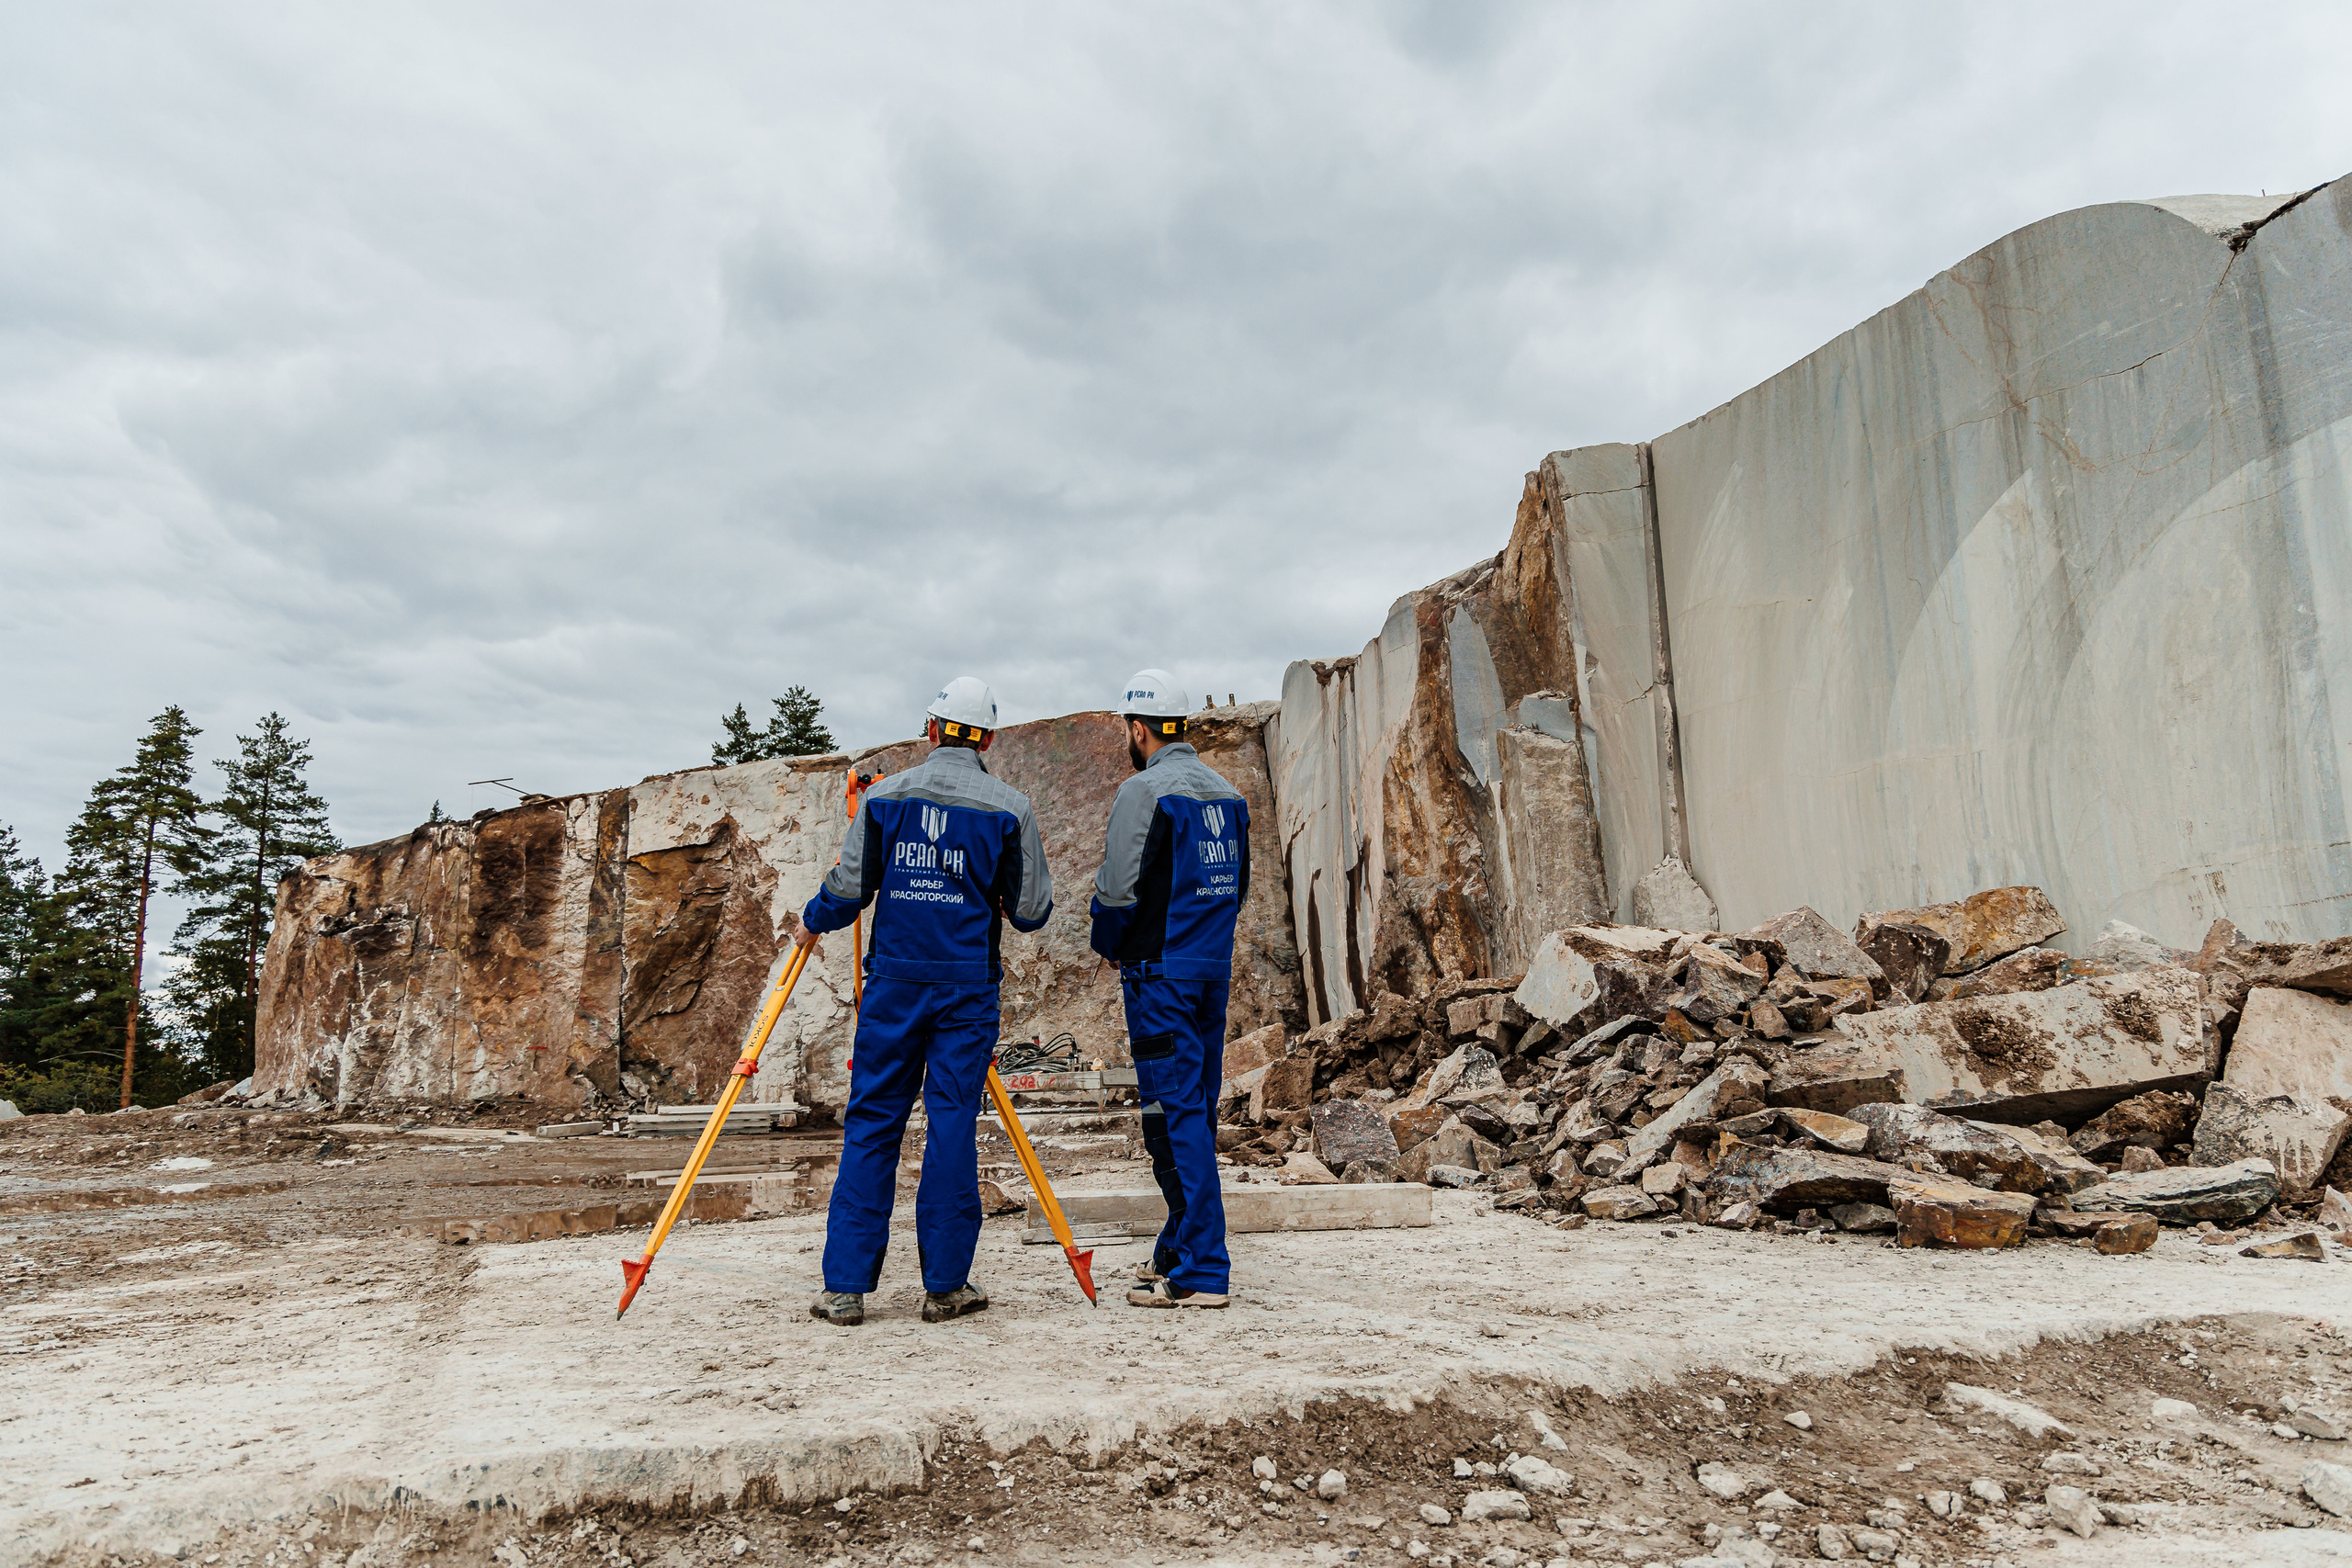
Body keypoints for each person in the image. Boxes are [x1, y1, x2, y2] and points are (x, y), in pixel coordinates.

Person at [796, 676, 1053, 1326]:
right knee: (950, 1127)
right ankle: (945, 1286)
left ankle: (845, 1288)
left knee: (873, 1125)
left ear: (932, 728)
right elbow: (1030, 911)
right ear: (988, 738)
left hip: (893, 988)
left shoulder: (883, 797)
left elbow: (849, 888)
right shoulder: (1009, 807)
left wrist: (811, 918)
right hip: (965, 991)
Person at [1089, 669, 1249, 1308]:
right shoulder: (1228, 795)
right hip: (1210, 972)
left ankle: (1203, 1270)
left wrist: (1110, 943)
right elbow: (1239, 890)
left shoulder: (1144, 791)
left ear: (1138, 728)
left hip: (1160, 979)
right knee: (1192, 1112)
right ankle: (1177, 1245)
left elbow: (1117, 889)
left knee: (1172, 1117)